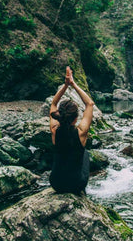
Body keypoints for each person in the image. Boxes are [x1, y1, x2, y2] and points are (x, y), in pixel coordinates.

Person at [49, 66, 94, 194]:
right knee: (85, 153)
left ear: (60, 115)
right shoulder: (81, 133)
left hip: (56, 183)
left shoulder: (54, 130)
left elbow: (53, 104)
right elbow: (89, 104)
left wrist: (65, 85)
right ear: (75, 118)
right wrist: (73, 84)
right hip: (76, 184)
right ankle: (82, 192)